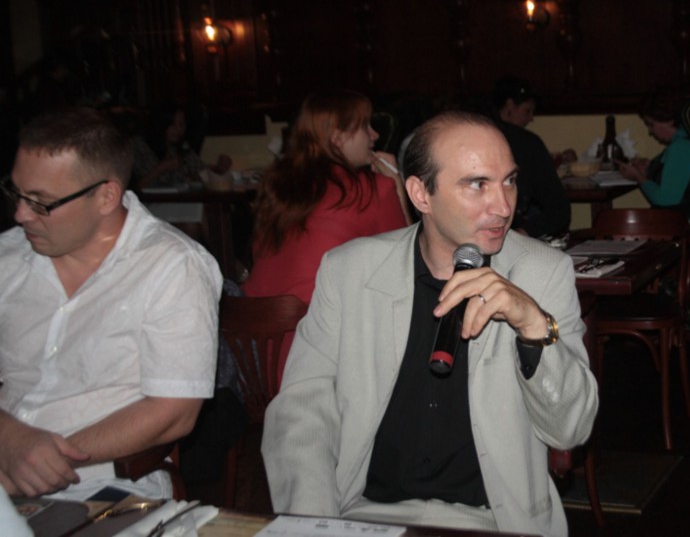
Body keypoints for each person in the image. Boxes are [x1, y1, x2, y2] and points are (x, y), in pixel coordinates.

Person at [262, 111, 598, 536]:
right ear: (421, 194)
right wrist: (315, 526)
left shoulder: (541, 273)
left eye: (509, 181)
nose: (503, 206)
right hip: (364, 515)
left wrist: (533, 325)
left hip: (492, 521)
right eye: (477, 184)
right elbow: (300, 414)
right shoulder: (350, 271)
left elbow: (570, 430)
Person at [0, 107, 221, 501]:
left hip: (100, 485)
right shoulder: (7, 256)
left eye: (40, 202)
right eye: (16, 193)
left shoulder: (171, 266)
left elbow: (173, 413)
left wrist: (44, 461)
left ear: (106, 197)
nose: (20, 214)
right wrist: (9, 437)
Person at [242, 90, 410, 304]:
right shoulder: (373, 189)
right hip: (316, 320)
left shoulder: (278, 183)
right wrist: (397, 187)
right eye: (364, 126)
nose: (374, 135)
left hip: (252, 317)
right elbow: (406, 264)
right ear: (336, 137)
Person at [491, 77, 570, 238]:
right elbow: (560, 210)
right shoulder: (527, 143)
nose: (531, 118)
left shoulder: (528, 144)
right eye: (527, 111)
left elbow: (558, 210)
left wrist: (523, 233)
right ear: (510, 106)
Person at [616, 93, 690, 208]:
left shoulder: (681, 147)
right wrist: (649, 168)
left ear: (669, 120)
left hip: (683, 215)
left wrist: (639, 178)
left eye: (651, 124)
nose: (650, 132)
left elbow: (666, 201)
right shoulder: (688, 139)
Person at [132, 100, 231, 190]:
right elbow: (136, 187)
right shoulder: (140, 145)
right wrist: (161, 168)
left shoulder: (182, 146)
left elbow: (201, 170)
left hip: (181, 199)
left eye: (181, 124)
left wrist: (219, 169)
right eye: (173, 125)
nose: (178, 130)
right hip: (152, 201)